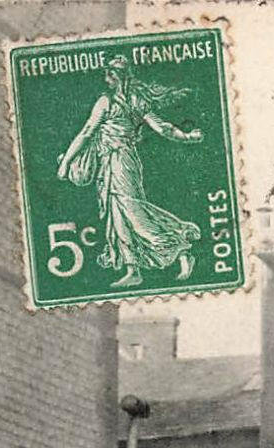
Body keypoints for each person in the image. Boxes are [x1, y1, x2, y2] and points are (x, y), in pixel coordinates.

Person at [55, 55, 203, 288]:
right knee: (118, 215)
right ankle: (132, 269)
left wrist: (65, 163)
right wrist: (186, 137)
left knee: (133, 211)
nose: (106, 79)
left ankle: (180, 248)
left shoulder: (109, 102)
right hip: (112, 162)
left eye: (109, 75)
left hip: (121, 161)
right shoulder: (133, 101)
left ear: (117, 78)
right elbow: (162, 127)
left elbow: (86, 133)